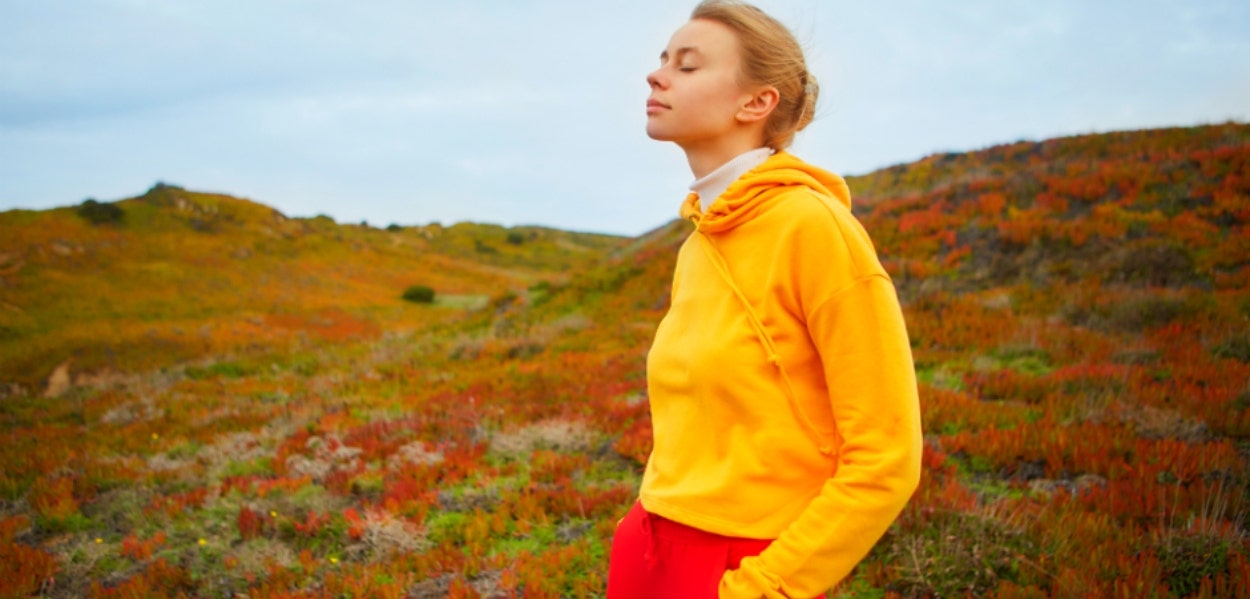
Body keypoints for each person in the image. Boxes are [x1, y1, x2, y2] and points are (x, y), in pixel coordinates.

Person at [606, 2, 923, 598]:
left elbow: (887, 458)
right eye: (662, 60)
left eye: (688, 65)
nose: (656, 75)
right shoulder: (701, 241)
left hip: (743, 569)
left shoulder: (813, 228)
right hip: (649, 549)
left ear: (756, 104)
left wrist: (763, 588)